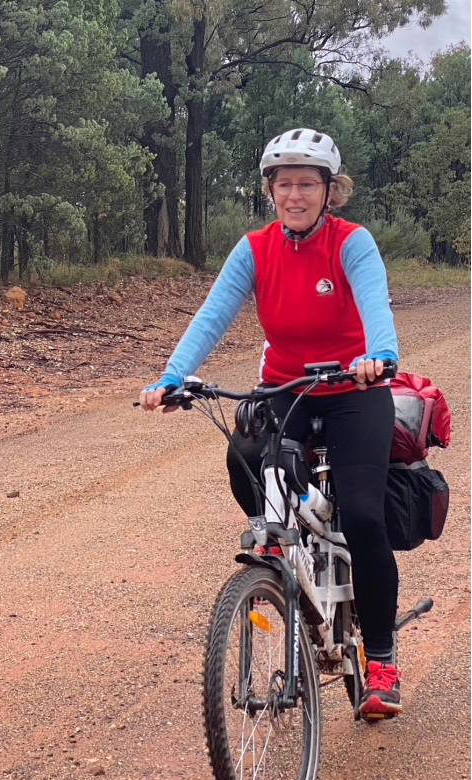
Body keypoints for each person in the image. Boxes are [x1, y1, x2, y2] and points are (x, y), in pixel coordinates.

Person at [138, 128, 403, 720]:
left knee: (362, 514)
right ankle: (293, 557)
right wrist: (173, 377)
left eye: (308, 184)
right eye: (284, 184)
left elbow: (376, 306)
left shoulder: (352, 244)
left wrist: (380, 357)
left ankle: (382, 658)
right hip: (287, 387)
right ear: (271, 192)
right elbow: (212, 316)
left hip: (355, 389)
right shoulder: (255, 250)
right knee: (246, 459)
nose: (296, 194)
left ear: (330, 192)